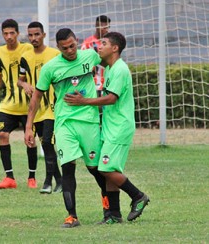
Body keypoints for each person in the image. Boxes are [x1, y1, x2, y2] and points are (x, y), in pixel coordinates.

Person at [24, 28, 108, 228]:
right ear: (58, 48)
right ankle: (72, 216)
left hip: (89, 122)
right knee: (68, 168)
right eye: (65, 48)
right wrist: (28, 127)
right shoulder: (51, 68)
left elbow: (109, 62)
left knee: (96, 169)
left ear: (77, 41)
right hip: (64, 124)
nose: (70, 50)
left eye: (72, 46)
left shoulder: (90, 56)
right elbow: (36, 97)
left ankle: (110, 211)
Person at [64, 32, 150, 223]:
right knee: (109, 168)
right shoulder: (110, 68)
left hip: (120, 127)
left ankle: (138, 196)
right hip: (110, 126)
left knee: (105, 168)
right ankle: (114, 214)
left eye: (103, 43)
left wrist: (83, 101)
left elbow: (111, 98)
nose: (99, 46)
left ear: (115, 48)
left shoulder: (119, 69)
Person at [0, 19, 38, 189]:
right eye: (5, 33)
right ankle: (9, 178)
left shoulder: (27, 48)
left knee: (30, 140)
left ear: (18, 33)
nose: (9, 37)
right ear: (2, 34)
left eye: (12, 33)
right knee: (3, 135)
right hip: (8, 104)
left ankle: (31, 177)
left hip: (28, 106)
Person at [17, 21, 62, 194]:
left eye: (37, 34)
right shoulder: (25, 57)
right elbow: (19, 79)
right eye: (31, 35)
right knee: (47, 145)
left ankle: (47, 182)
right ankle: (58, 180)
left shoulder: (55, 54)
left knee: (47, 142)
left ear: (43, 35)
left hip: (52, 106)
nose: (34, 38)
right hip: (37, 108)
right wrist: (24, 84)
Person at [81, 15, 111, 94]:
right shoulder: (87, 43)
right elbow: (82, 63)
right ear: (97, 26)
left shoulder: (109, 43)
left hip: (107, 82)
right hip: (92, 84)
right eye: (104, 28)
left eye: (108, 27)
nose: (106, 30)